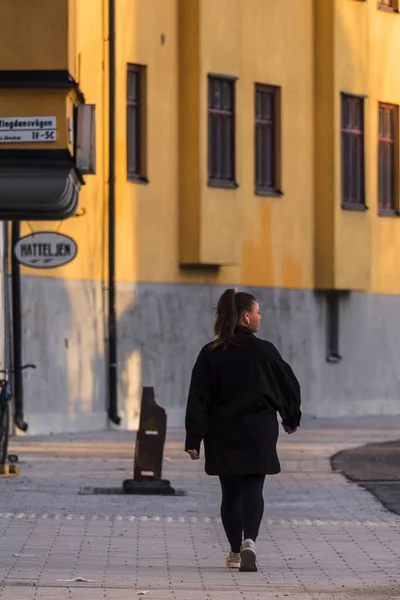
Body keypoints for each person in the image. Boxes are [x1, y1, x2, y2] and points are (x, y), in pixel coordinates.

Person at [184, 288, 301, 572]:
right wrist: (290, 418)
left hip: (223, 431)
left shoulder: (210, 353)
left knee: (230, 493)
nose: (261, 317)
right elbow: (289, 384)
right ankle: (250, 540)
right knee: (253, 488)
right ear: (246, 317)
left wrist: (194, 437)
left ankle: (235, 552)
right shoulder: (265, 350)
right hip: (257, 430)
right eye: (258, 313)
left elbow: (199, 397)